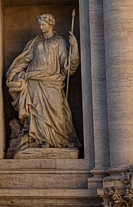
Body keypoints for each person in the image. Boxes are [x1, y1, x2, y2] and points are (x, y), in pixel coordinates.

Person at [6, 14, 80, 151]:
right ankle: (39, 140)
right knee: (36, 112)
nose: (41, 27)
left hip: (52, 82)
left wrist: (74, 47)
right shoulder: (35, 42)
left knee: (58, 113)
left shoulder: (59, 42)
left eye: (43, 24)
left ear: (51, 24)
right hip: (34, 82)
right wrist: (13, 73)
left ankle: (59, 140)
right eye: (39, 25)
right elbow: (25, 60)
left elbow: (68, 65)